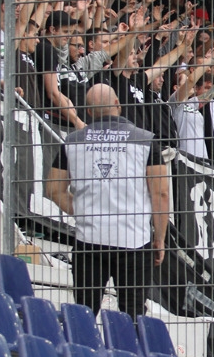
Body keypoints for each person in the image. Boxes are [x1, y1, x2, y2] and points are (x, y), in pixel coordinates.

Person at [46, 83, 170, 318]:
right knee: (132, 315)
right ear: (118, 106)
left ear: (89, 112)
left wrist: (81, 211)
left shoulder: (72, 142)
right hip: (134, 240)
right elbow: (160, 193)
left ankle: (81, 352)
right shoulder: (145, 141)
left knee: (84, 312)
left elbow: (53, 189)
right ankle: (129, 353)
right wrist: (160, 238)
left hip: (89, 239)